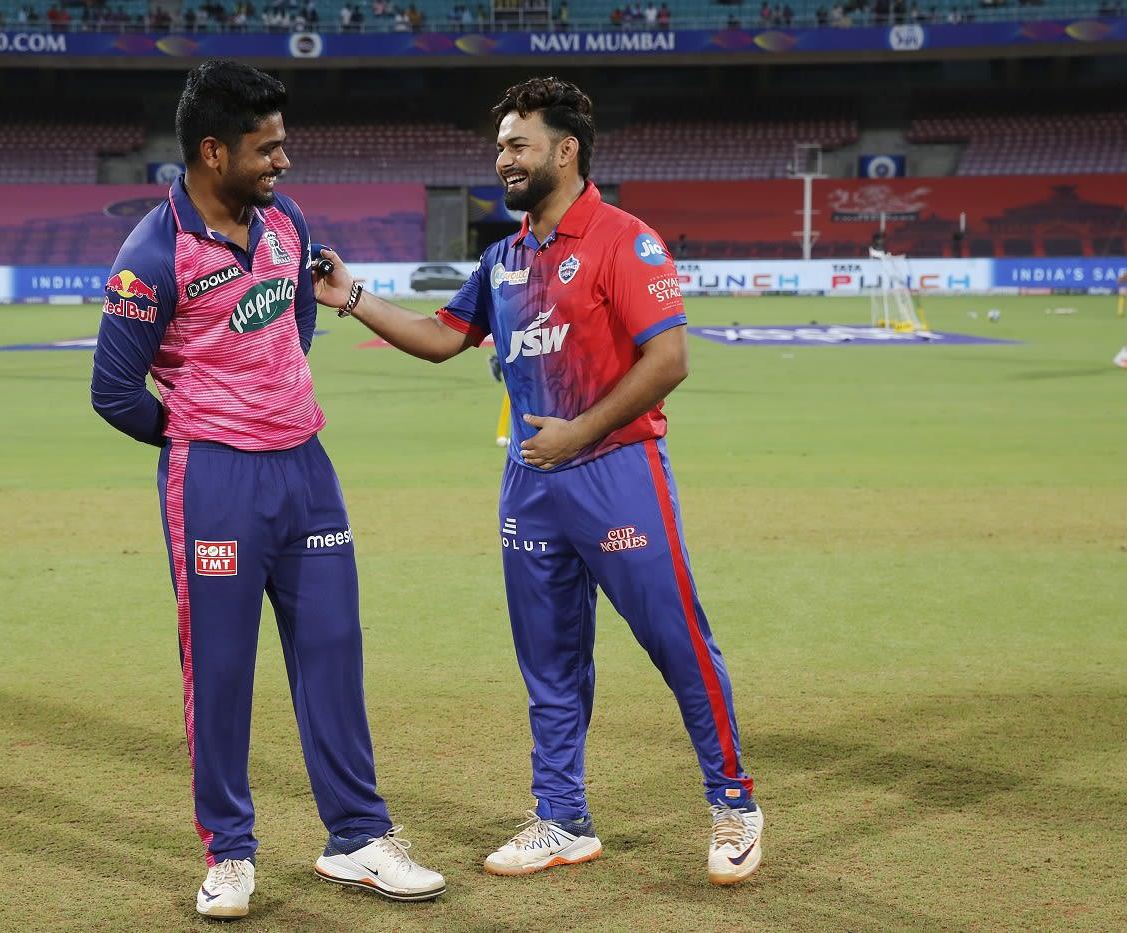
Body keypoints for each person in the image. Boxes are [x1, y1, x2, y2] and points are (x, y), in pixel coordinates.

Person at [315, 76, 764, 886]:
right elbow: (441, 337)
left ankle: (734, 802)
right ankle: (562, 818)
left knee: (677, 643)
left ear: (566, 150)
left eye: (518, 145)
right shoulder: (504, 256)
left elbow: (670, 359)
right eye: (499, 147)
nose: (504, 159)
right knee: (551, 663)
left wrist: (580, 432)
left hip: (616, 474)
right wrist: (351, 296)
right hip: (531, 486)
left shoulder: (628, 241)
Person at [88, 61, 444, 921]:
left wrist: (272, 397)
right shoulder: (152, 254)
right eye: (267, 147)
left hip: (306, 468)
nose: (283, 162)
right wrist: (201, 432)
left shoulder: (286, 221)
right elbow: (114, 389)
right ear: (214, 151)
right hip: (214, 481)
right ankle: (231, 852)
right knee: (220, 669)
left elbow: (299, 317)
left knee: (332, 650)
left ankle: (357, 836)